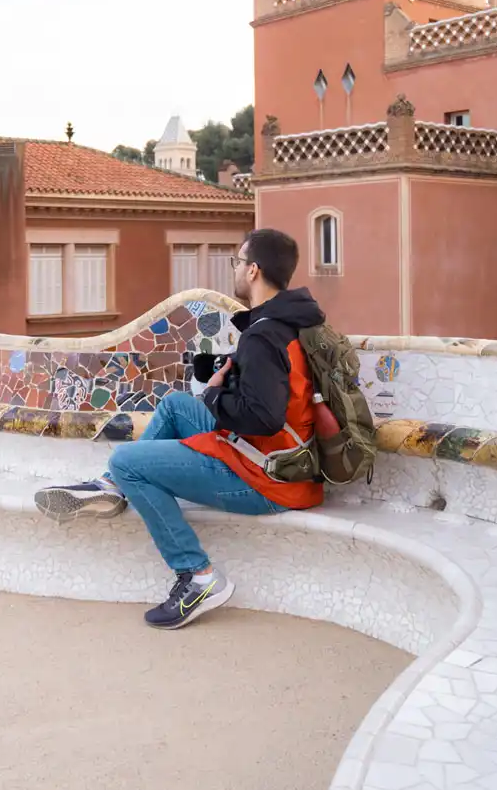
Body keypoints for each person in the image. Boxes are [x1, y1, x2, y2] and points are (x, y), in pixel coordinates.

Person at [34, 228, 325, 630]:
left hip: (266, 479)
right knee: (174, 405)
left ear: (254, 270)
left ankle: (198, 576)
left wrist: (214, 394)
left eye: (238, 262)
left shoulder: (265, 335)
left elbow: (264, 416)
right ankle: (110, 488)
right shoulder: (288, 321)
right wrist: (226, 374)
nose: (236, 270)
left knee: (127, 462)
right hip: (281, 460)